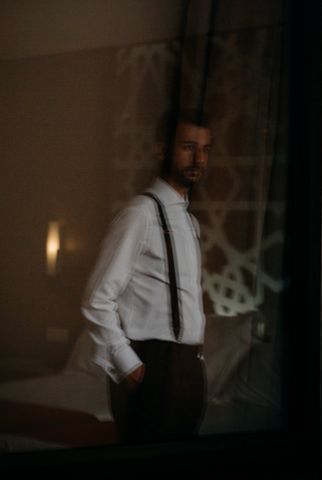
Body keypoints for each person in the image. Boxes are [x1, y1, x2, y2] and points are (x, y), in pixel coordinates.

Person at [82, 109, 211, 442]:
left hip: (189, 368)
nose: (198, 158)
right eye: (187, 146)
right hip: (152, 367)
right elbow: (97, 299)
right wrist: (128, 364)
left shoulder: (189, 223)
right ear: (161, 149)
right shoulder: (139, 214)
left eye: (205, 149)